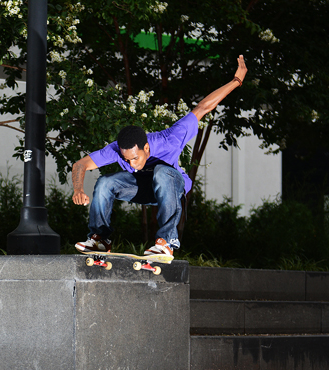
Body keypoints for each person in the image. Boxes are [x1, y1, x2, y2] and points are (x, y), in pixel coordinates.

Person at [72, 55, 248, 257]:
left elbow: (203, 107)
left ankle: (166, 241)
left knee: (162, 172)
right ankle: (100, 239)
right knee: (104, 182)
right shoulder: (116, 149)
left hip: (171, 188)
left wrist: (236, 81)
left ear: (146, 147)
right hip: (141, 188)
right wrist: (78, 188)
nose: (132, 164)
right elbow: (81, 164)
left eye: (135, 158)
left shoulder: (169, 139)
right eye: (126, 160)